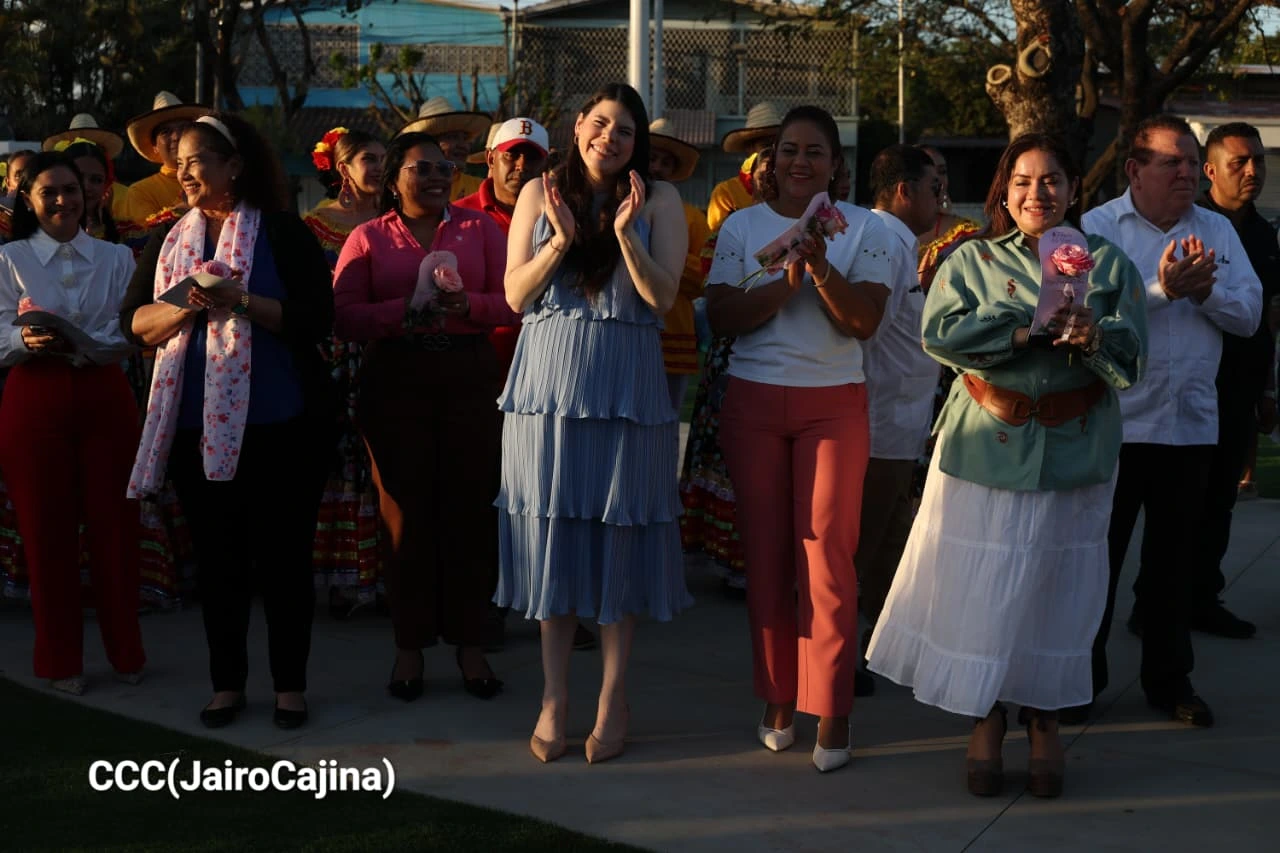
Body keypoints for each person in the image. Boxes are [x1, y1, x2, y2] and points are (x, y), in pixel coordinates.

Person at [868, 133, 1148, 798]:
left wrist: (1094, 336)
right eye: (1022, 180)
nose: (1036, 193)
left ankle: (1044, 719)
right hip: (985, 444)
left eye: (1051, 180)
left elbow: (1134, 360)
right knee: (984, 588)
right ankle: (986, 714)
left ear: (1073, 188)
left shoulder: (1109, 264)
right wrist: (1022, 333)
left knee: (1057, 589)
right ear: (1004, 189)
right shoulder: (973, 259)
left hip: (1075, 445)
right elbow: (939, 334)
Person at [496, 83, 689, 764]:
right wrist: (561, 243)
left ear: (638, 144)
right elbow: (515, 294)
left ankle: (612, 696)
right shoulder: (538, 192)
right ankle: (553, 697)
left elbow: (662, 297)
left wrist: (626, 236)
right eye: (600, 123)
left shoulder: (660, 200)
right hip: (546, 389)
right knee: (552, 536)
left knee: (620, 535)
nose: (610, 137)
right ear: (578, 126)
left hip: (627, 387)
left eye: (625, 130)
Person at [122, 112, 335, 730]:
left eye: (197, 162)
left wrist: (238, 300)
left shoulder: (283, 231)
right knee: (219, 562)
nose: (185, 174)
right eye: (179, 165)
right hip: (196, 429)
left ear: (235, 165)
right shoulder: (170, 240)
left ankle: (289, 687)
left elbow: (315, 319)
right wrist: (184, 306)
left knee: (284, 560)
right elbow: (134, 324)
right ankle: (227, 685)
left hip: (282, 425)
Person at [708, 105, 893, 773]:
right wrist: (784, 283)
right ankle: (779, 697)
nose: (800, 161)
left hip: (833, 405)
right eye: (789, 149)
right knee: (767, 556)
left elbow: (863, 322)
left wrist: (819, 269)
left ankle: (832, 707)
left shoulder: (866, 228)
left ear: (835, 165)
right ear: (771, 159)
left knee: (828, 557)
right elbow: (722, 317)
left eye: (815, 151)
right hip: (754, 403)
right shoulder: (740, 225)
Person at [1081, 115, 1261, 729]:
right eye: (1171, 162)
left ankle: (1169, 681)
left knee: (1173, 567)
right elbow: (1084, 317)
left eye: (1190, 161)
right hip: (1114, 428)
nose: (1187, 173)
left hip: (1188, 426)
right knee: (1096, 565)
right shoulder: (1098, 229)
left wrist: (1206, 294)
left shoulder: (1216, 229)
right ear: (1135, 170)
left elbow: (1249, 315)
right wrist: (1161, 291)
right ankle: (1080, 682)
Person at [334, 131, 515, 705]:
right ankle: (409, 646)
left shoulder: (480, 229)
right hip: (396, 378)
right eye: (423, 168)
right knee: (404, 517)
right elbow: (343, 316)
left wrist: (470, 306)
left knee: (471, 510)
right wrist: (404, 312)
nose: (438, 177)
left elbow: (513, 300)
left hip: (468, 374)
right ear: (393, 179)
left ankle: (470, 644)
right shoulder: (367, 237)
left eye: (445, 168)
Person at [0, 151, 145, 695]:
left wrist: (101, 343)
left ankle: (126, 651)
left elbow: (131, 326)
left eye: (72, 189)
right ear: (28, 199)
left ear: (89, 195)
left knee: (117, 529)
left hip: (105, 393)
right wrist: (23, 337)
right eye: (49, 192)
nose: (63, 200)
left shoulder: (116, 257)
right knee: (45, 533)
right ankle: (60, 660)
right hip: (33, 396)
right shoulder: (10, 258)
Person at [1173, 121, 1278, 639]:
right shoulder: (1189, 225)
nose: (1253, 170)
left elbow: (1268, 317)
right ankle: (1157, 604)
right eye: (1240, 162)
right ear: (1210, 171)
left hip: (1240, 386)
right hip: (1188, 385)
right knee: (1177, 504)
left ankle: (1203, 599)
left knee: (1220, 502)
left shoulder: (1263, 232)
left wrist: (1267, 389)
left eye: (1258, 160)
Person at [854, 144, 941, 696]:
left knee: (888, 545)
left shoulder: (898, 242)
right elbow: (868, 335)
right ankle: (836, 658)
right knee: (861, 549)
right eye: (935, 188)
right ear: (904, 190)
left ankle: (874, 649)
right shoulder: (885, 241)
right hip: (879, 423)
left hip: (898, 423)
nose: (942, 200)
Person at [678, 146, 774, 592]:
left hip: (779, 356)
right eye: (767, 170)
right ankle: (727, 554)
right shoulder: (734, 220)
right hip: (733, 350)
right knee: (727, 451)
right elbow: (713, 284)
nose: (773, 177)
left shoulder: (812, 223)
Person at [303, 126, 388, 619]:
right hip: (336, 359)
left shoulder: (397, 220)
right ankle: (342, 580)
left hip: (388, 352)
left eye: (383, 158)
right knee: (340, 465)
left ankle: (383, 578)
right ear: (343, 169)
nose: (378, 167)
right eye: (367, 159)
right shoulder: (317, 225)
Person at [647, 117, 710, 414]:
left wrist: (662, 256)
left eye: (666, 163)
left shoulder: (693, 218)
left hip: (675, 336)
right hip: (625, 334)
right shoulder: (617, 206)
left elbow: (706, 278)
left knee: (668, 424)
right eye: (651, 159)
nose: (657, 168)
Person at [121, 92, 210, 226]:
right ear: (154, 146)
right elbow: (146, 235)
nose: (176, 137)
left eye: (183, 129)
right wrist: (182, 210)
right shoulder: (141, 191)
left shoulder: (214, 176)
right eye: (165, 132)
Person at [707, 102, 781, 233]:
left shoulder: (793, 187)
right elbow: (718, 239)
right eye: (767, 145)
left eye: (779, 144)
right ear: (749, 148)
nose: (773, 151)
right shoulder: (726, 192)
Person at [398, 97, 487, 201]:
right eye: (452, 137)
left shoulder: (481, 189)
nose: (463, 145)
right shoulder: (413, 188)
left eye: (465, 138)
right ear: (429, 145)